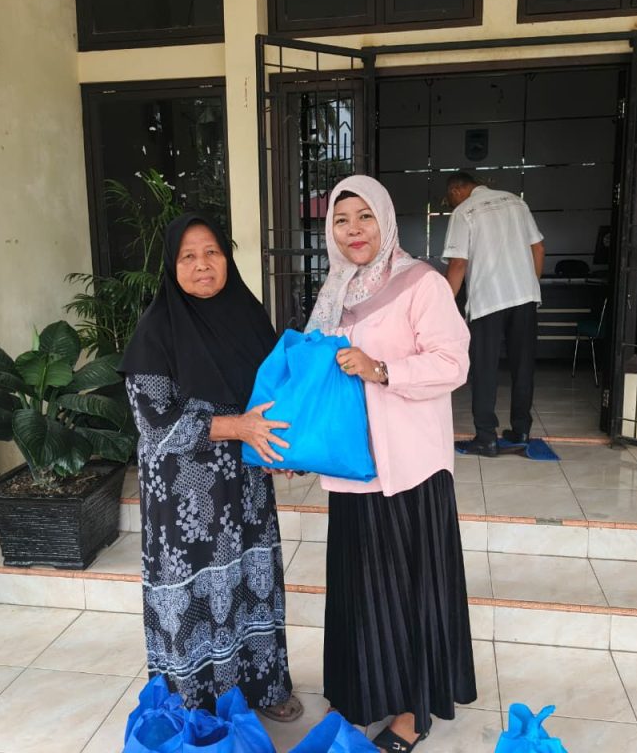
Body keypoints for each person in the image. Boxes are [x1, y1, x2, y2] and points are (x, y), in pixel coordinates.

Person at [307, 175, 476, 752]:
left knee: (408, 595)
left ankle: (410, 713)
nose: (353, 231)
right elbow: (319, 372)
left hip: (408, 470)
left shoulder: (420, 282)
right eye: (341, 220)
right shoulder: (335, 290)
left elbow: (453, 362)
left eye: (364, 217)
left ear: (385, 220)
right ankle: (361, 695)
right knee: (360, 593)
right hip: (351, 467)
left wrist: (382, 370)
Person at [120, 212, 303, 722]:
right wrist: (239, 427)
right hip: (187, 496)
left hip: (245, 484)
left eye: (212, 253)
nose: (202, 265)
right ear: (172, 265)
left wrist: (281, 448)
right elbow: (155, 425)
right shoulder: (156, 329)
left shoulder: (249, 316)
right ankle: (198, 705)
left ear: (227, 258)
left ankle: (263, 687)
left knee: (252, 581)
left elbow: (274, 397)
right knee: (199, 593)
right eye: (188, 256)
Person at [443, 172, 545, 457]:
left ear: (457, 190)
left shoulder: (464, 211)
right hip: (525, 298)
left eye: (449, 198)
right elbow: (538, 248)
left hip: (488, 301)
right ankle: (521, 430)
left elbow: (458, 264)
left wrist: (442, 305)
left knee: (484, 369)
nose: (450, 204)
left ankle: (486, 438)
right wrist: (530, 285)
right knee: (523, 366)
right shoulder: (517, 203)